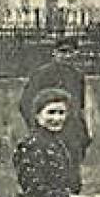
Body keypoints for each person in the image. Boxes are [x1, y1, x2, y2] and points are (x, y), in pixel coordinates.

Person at [20, 35, 91, 168]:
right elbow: (26, 102)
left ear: (76, 53)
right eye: (63, 52)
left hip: (71, 130)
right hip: (49, 127)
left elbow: (80, 106)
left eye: (70, 52)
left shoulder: (77, 75)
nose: (67, 56)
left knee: (72, 165)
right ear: (55, 53)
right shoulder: (42, 74)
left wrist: (84, 131)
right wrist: (37, 125)